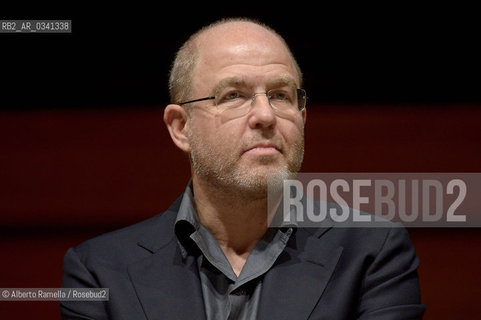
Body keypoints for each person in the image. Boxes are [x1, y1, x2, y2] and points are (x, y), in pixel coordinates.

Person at [60, 17, 425, 319]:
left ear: (302, 117)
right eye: (233, 95)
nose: (265, 115)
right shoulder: (98, 271)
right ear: (181, 127)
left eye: (282, 95)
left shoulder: (373, 250)